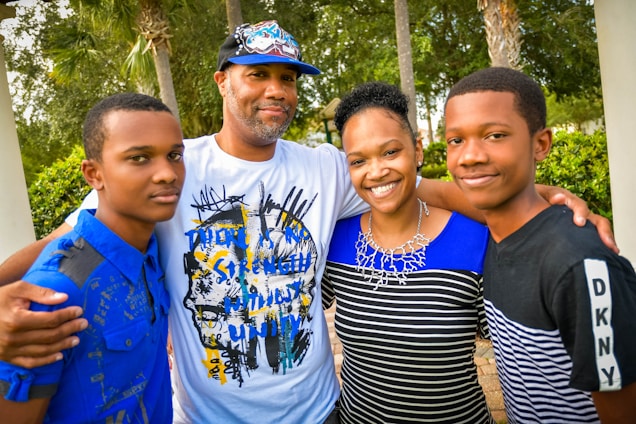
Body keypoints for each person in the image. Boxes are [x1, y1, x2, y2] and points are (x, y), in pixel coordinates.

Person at [0, 21, 616, 424]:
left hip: (323, 412)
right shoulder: (172, 168)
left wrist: (541, 194)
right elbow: (69, 246)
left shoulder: (325, 168)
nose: (276, 91)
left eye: (288, 79)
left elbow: (418, 183)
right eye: (257, 74)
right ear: (222, 82)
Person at [444, 66, 636, 423]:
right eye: (456, 140)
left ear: (541, 144)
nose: (469, 156)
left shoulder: (578, 263)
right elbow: (411, 185)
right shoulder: (492, 236)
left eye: (495, 135)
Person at [0, 93, 185, 423]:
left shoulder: (153, 252)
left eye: (174, 155)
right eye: (140, 158)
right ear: (94, 174)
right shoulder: (55, 292)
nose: (167, 173)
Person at [322, 82, 494, 423]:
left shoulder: (474, 241)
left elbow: (516, 350)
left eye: (390, 152)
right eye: (359, 160)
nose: (376, 171)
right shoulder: (335, 241)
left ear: (417, 150)